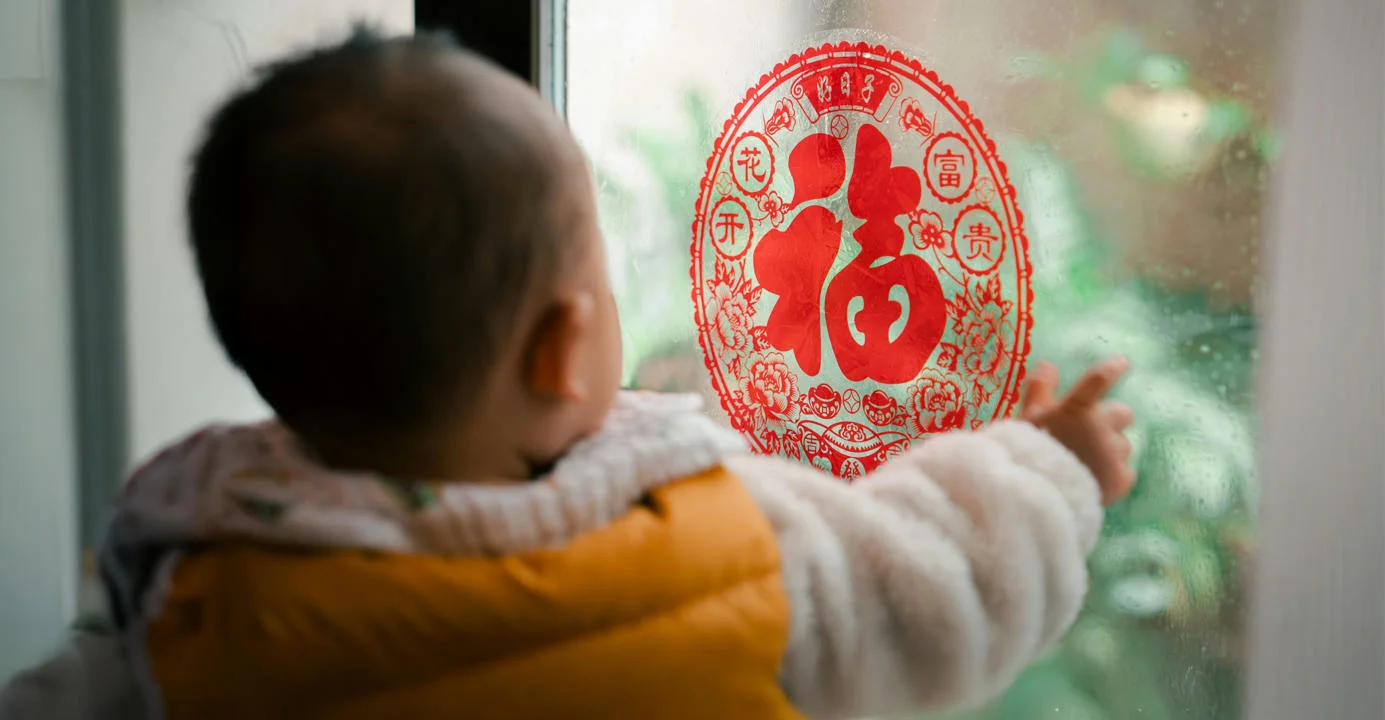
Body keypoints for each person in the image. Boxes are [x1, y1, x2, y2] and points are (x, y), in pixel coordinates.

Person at [0, 27, 1136, 720]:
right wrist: (1048, 467)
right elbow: (940, 587)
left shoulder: (209, 593)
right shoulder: (726, 555)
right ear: (559, 349)